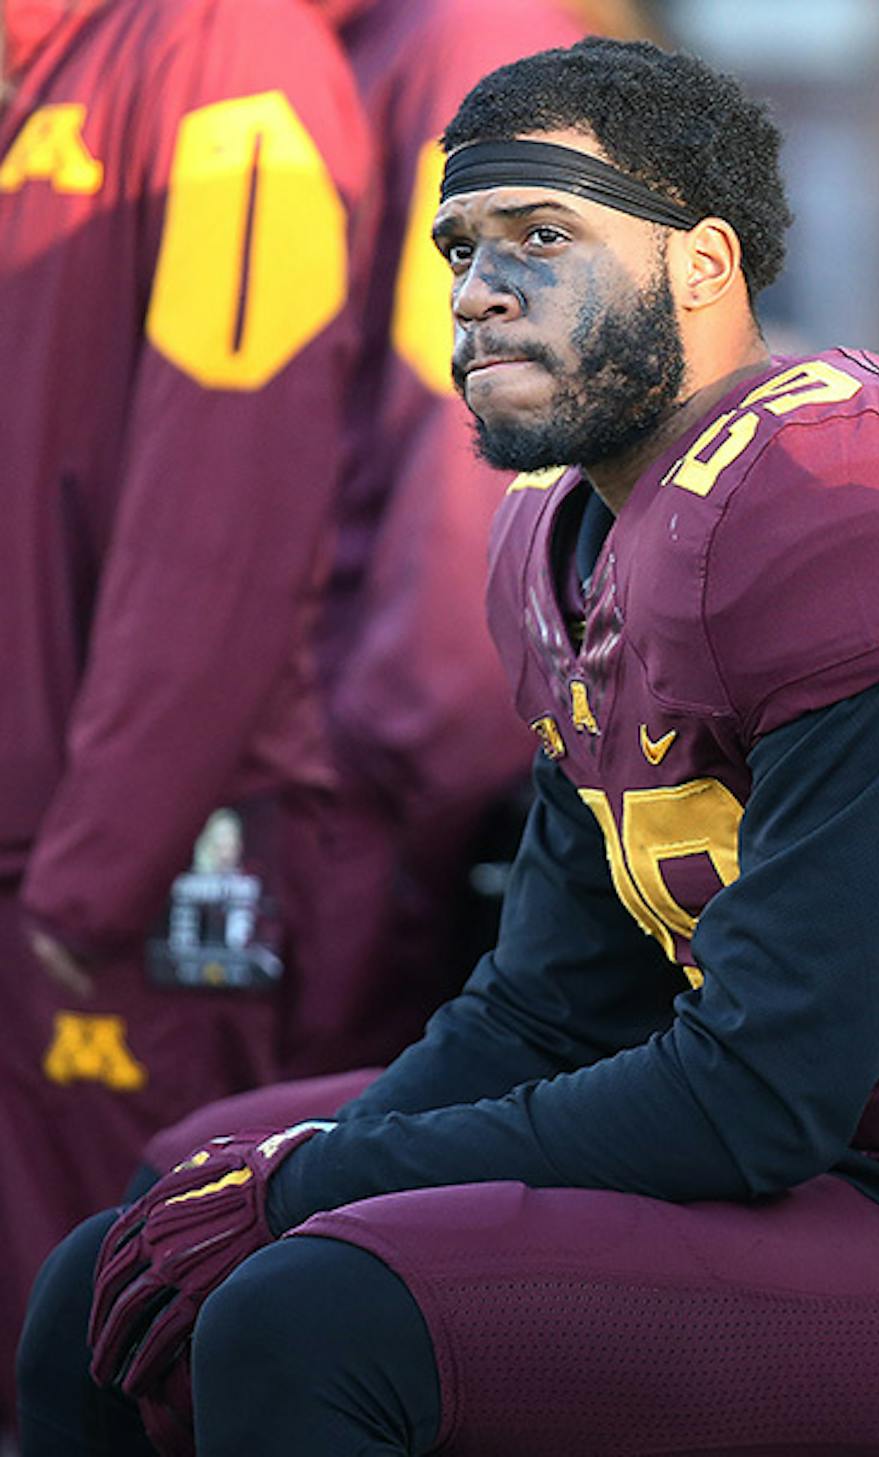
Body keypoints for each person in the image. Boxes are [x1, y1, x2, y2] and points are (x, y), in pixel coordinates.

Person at [18, 36, 879, 1457]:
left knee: (306, 1312)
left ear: (704, 261)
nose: (477, 290)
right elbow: (546, 1007)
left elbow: (767, 1092)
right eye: (459, 247)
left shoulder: (862, 493)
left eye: (541, 234)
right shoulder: (561, 529)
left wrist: (312, 1187)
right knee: (126, 1254)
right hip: (791, 1177)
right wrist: (272, 1177)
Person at [0, 0, 371, 1429]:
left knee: (103, 1375)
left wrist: (95, 866)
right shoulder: (62, 64)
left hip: (118, 890)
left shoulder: (231, 56)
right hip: (56, 860)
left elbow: (225, 502)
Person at [283, 0, 592, 1080]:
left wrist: (395, 762)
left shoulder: (471, 42)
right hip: (328, 754)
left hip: (361, 788)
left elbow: (470, 444)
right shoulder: (361, 41)